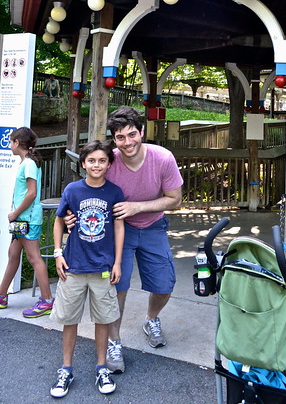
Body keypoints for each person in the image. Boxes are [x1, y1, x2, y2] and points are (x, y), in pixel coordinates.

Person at [64, 106, 183, 374]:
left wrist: (136, 207)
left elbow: (175, 199)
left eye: (132, 134)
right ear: (114, 140)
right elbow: (86, 191)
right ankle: (114, 342)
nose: (128, 142)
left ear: (141, 132)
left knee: (164, 284)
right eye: (120, 137)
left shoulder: (162, 158)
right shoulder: (110, 161)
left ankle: (151, 319)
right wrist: (72, 217)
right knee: (117, 286)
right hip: (117, 230)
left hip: (153, 225)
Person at [50, 140, 125, 399]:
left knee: (103, 318)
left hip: (103, 267)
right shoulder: (72, 190)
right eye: (91, 160)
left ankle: (101, 367)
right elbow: (59, 221)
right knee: (69, 319)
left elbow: (118, 226)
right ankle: (66, 368)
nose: (96, 165)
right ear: (83, 163)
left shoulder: (115, 192)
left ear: (109, 164)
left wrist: (117, 262)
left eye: (102, 160)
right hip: (73, 266)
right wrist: (58, 254)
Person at [0, 127, 55, 317]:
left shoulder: (29, 164)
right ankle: (1, 295)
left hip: (27, 220)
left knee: (34, 258)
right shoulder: (26, 162)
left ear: (17, 143)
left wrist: (15, 213)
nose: (9, 145)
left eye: (11, 141)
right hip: (22, 221)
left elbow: (32, 193)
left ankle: (47, 300)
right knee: (13, 255)